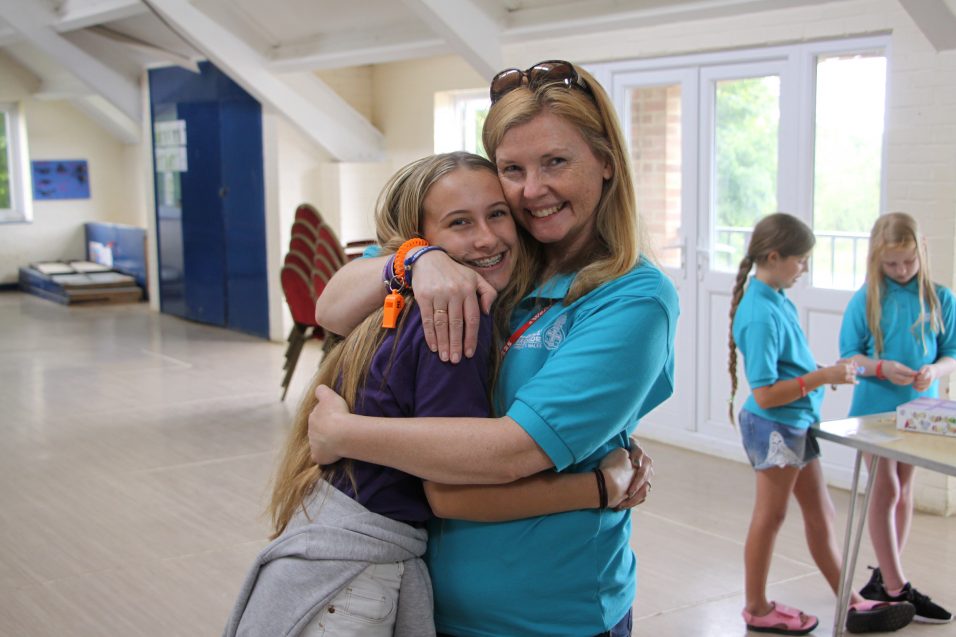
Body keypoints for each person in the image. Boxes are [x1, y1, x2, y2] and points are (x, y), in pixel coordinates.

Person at [306, 60, 674, 637]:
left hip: (549, 617)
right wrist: (415, 259)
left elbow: (510, 452)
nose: (533, 191)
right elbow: (330, 307)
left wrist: (344, 434)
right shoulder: (493, 256)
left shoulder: (632, 299)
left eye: (556, 161)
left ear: (606, 162)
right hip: (424, 603)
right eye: (513, 169)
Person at [222, 152, 645, 637]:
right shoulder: (454, 312)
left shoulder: (399, 298)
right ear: (419, 237)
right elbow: (451, 490)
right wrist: (601, 486)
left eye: (497, 214)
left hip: (327, 538)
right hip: (359, 576)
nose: (485, 237)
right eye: (460, 222)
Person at [728, 212, 916, 635]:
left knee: (822, 512)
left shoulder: (777, 299)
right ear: (775, 257)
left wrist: (820, 373)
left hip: (795, 423)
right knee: (770, 517)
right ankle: (756, 607)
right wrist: (822, 377)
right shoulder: (759, 313)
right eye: (801, 260)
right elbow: (765, 393)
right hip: (774, 425)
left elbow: (788, 366)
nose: (804, 268)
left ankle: (853, 602)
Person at [838, 211, 956, 625]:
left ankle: (887, 577)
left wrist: (934, 372)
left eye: (908, 261)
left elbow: (951, 352)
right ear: (877, 260)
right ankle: (896, 587)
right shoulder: (866, 298)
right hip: (874, 412)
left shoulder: (941, 297)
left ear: (921, 252)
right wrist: (881, 368)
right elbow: (849, 357)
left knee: (905, 491)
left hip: (919, 412)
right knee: (884, 490)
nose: (902, 270)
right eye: (892, 264)